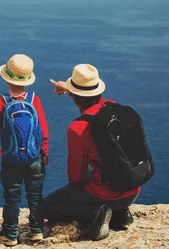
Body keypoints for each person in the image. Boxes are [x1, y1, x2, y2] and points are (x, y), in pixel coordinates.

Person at [45, 64, 140, 241]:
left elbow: (76, 176)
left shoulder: (78, 129)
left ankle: (95, 214)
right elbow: (88, 97)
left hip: (105, 194)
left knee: (45, 208)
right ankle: (120, 214)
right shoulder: (114, 109)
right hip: (132, 188)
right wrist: (68, 88)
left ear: (73, 96)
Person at [0, 54, 49, 246]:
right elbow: (42, 129)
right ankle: (37, 231)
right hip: (34, 157)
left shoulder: (1, 100)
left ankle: (10, 234)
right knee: (35, 195)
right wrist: (44, 152)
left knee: (12, 196)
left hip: (11, 157)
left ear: (6, 78)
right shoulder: (33, 99)